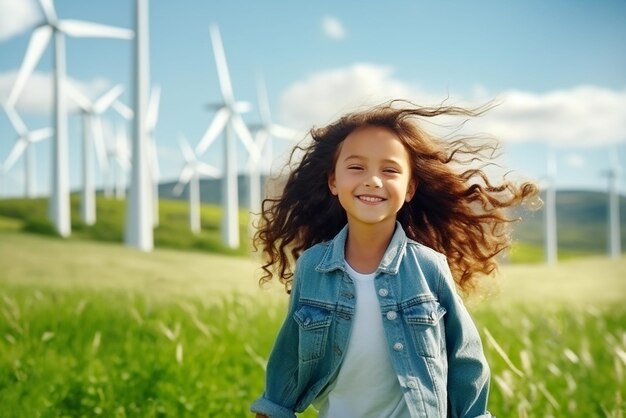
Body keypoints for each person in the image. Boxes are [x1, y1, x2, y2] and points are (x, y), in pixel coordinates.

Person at [250, 100, 538, 418]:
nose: (373, 180)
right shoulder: (313, 266)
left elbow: (464, 358)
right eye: (356, 167)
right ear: (333, 181)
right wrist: (273, 408)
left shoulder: (429, 267)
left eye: (389, 170)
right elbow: (290, 352)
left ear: (410, 188)